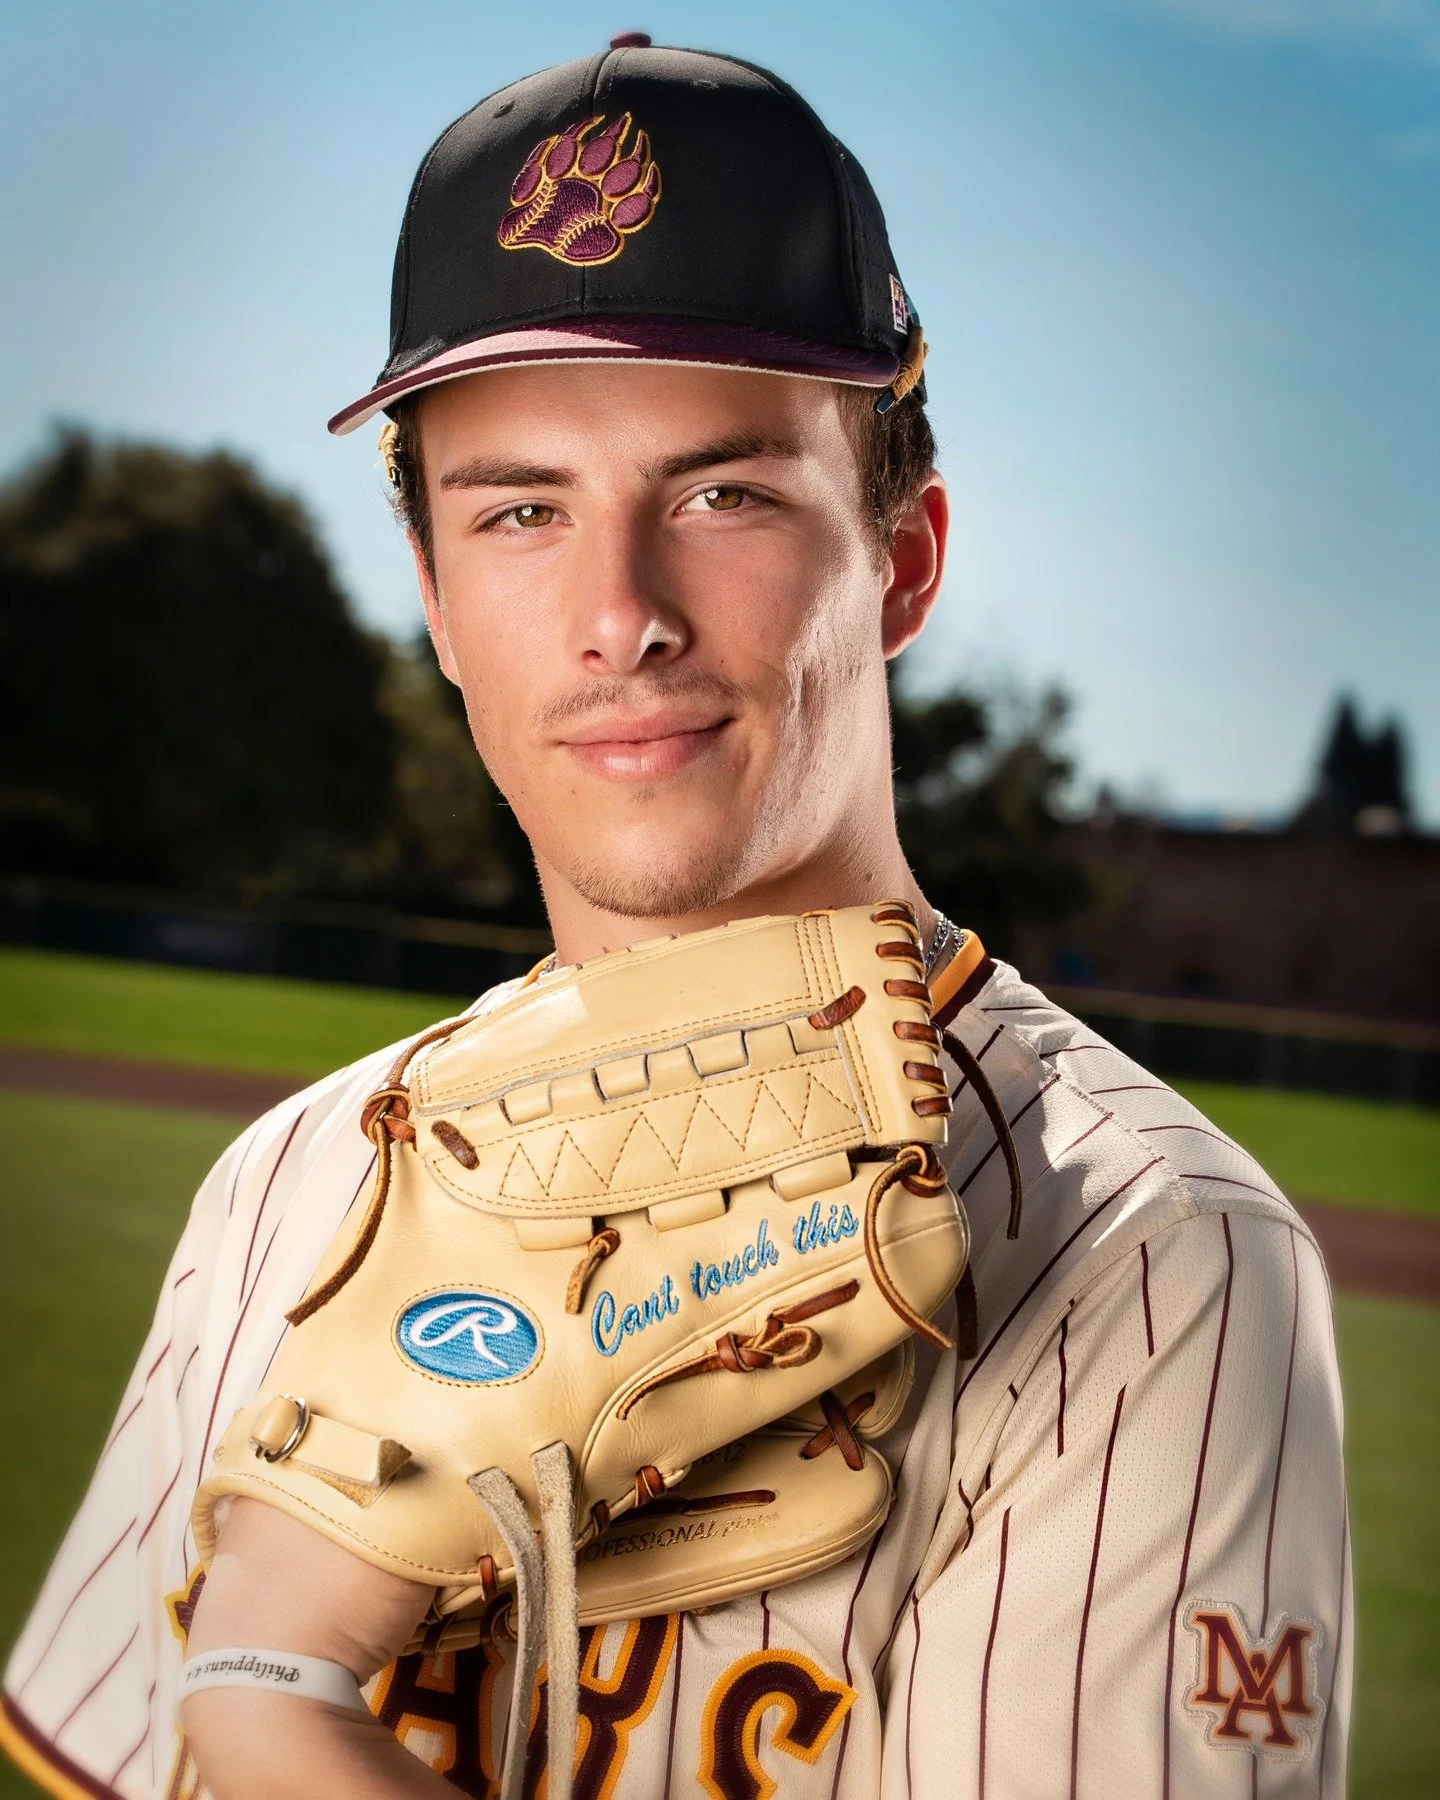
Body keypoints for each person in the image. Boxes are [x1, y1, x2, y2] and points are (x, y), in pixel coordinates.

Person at [0, 35, 1350, 1800]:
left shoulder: (1153, 1262)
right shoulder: (283, 1190)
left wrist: (271, 1695)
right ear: (431, 596)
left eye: (723, 494)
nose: (615, 612)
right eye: (521, 511)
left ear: (906, 560)